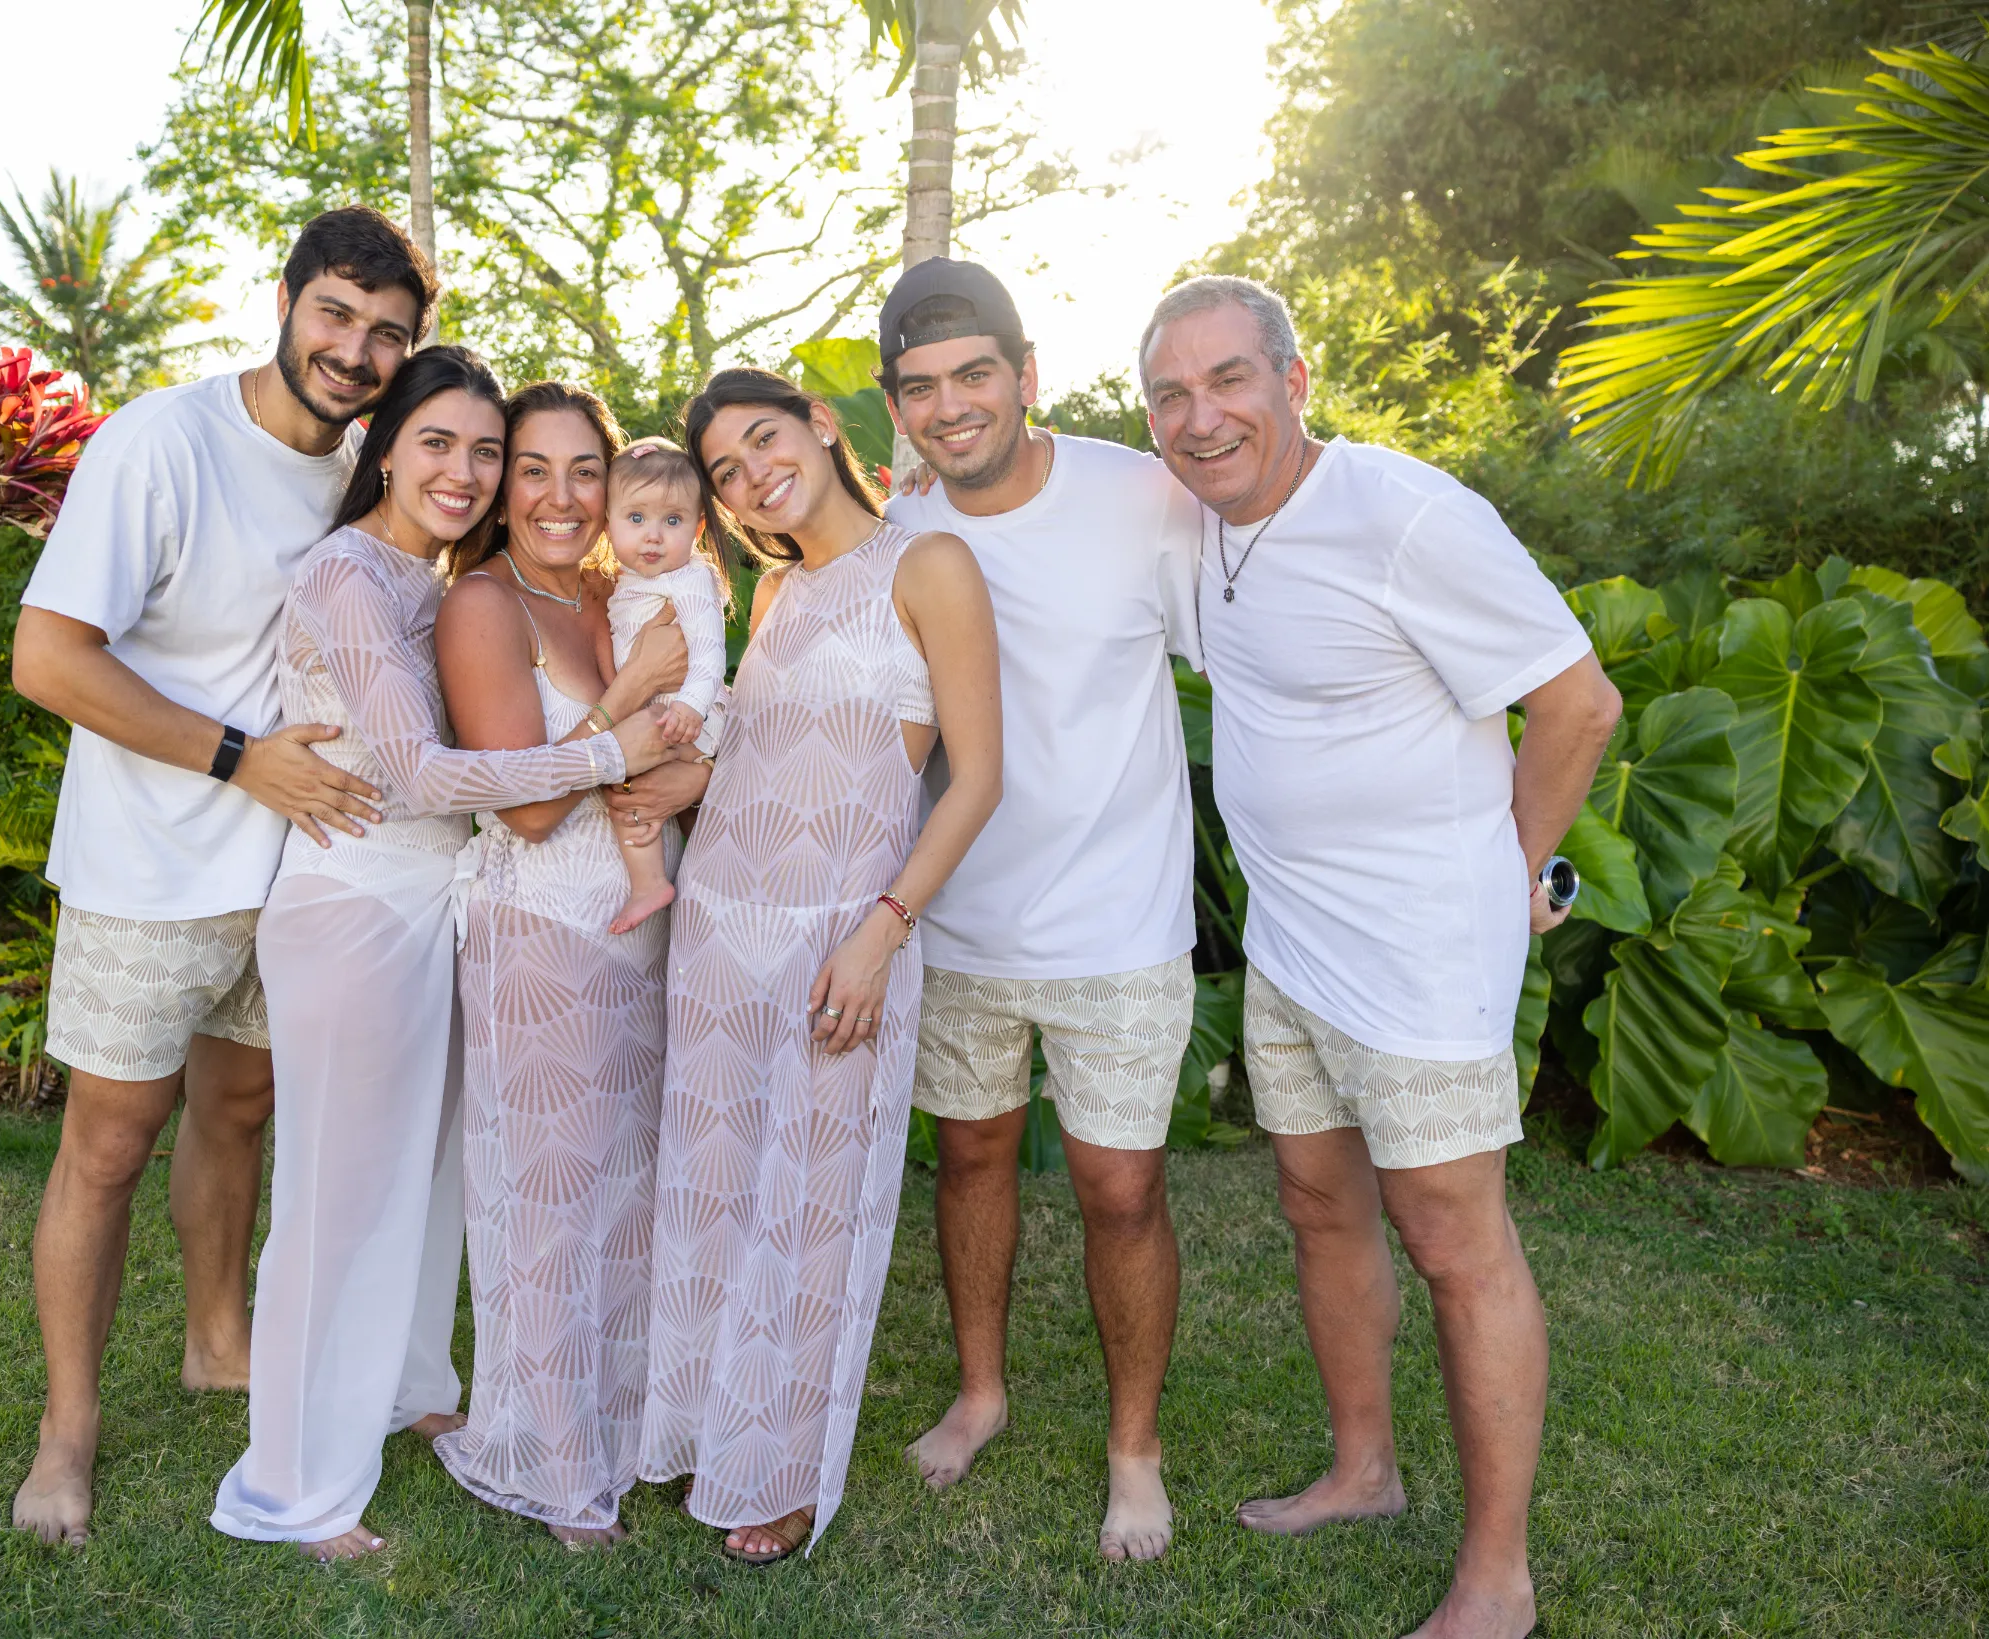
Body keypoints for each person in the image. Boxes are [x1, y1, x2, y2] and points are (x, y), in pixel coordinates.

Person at [1140, 275, 1620, 1639]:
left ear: (1295, 381)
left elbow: (1577, 704)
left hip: (1416, 955)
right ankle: (1363, 1467)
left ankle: (1496, 1579)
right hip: (1293, 946)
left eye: (1229, 379)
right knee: (1318, 1201)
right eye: (1171, 393)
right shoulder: (1202, 523)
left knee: (1456, 1243)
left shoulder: (1407, 515)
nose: (1201, 415)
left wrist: (1510, 869)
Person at [210, 348, 688, 1561]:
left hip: (442, 905)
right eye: (445, 444)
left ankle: (414, 1382)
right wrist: (611, 747)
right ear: (386, 445)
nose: (468, 474)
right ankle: (296, 1484)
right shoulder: (350, 575)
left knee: (425, 1180)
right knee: (336, 1196)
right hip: (356, 907)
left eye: (488, 452)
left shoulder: (434, 576)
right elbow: (424, 777)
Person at [7, 206, 428, 1546]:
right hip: (152, 863)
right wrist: (241, 757)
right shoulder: (163, 442)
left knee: (238, 1106)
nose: (356, 352)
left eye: (387, 336)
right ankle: (66, 1429)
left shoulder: (371, 465)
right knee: (109, 1139)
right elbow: (51, 658)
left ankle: (214, 1336)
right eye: (337, 316)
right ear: (289, 298)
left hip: (301, 871)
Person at [639, 368, 1004, 1565]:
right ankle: (704, 1422)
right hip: (720, 921)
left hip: (840, 933)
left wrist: (884, 924)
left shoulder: (927, 563)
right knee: (718, 1181)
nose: (752, 476)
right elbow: (750, 751)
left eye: (764, 441)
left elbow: (980, 776)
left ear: (822, 429)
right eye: (726, 471)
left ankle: (785, 1467)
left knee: (816, 1201)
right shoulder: (774, 585)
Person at [878, 258, 1205, 1563]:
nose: (951, 406)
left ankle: (1135, 1448)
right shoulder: (900, 531)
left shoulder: (1142, 497)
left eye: (973, 376)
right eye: (920, 388)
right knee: (969, 1161)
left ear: (1025, 374)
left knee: (1119, 1188)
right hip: (959, 920)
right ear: (895, 408)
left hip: (1118, 924)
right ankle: (981, 1391)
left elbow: (1253, 643)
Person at [429, 384, 692, 1548]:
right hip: (542, 929)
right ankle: (550, 1455)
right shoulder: (482, 606)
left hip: (643, 934)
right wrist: (629, 722)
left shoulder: (614, 588)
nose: (559, 496)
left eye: (584, 470)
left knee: (630, 1195)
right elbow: (528, 812)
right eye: (532, 469)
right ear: (498, 482)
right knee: (545, 1200)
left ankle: (628, 1424)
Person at [599, 436, 732, 933]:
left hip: (690, 714)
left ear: (697, 528)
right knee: (631, 787)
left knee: (623, 779)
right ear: (607, 523)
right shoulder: (622, 580)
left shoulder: (690, 580)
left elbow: (710, 654)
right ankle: (653, 881)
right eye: (636, 519)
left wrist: (692, 708)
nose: (653, 536)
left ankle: (653, 883)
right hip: (657, 713)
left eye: (672, 521)